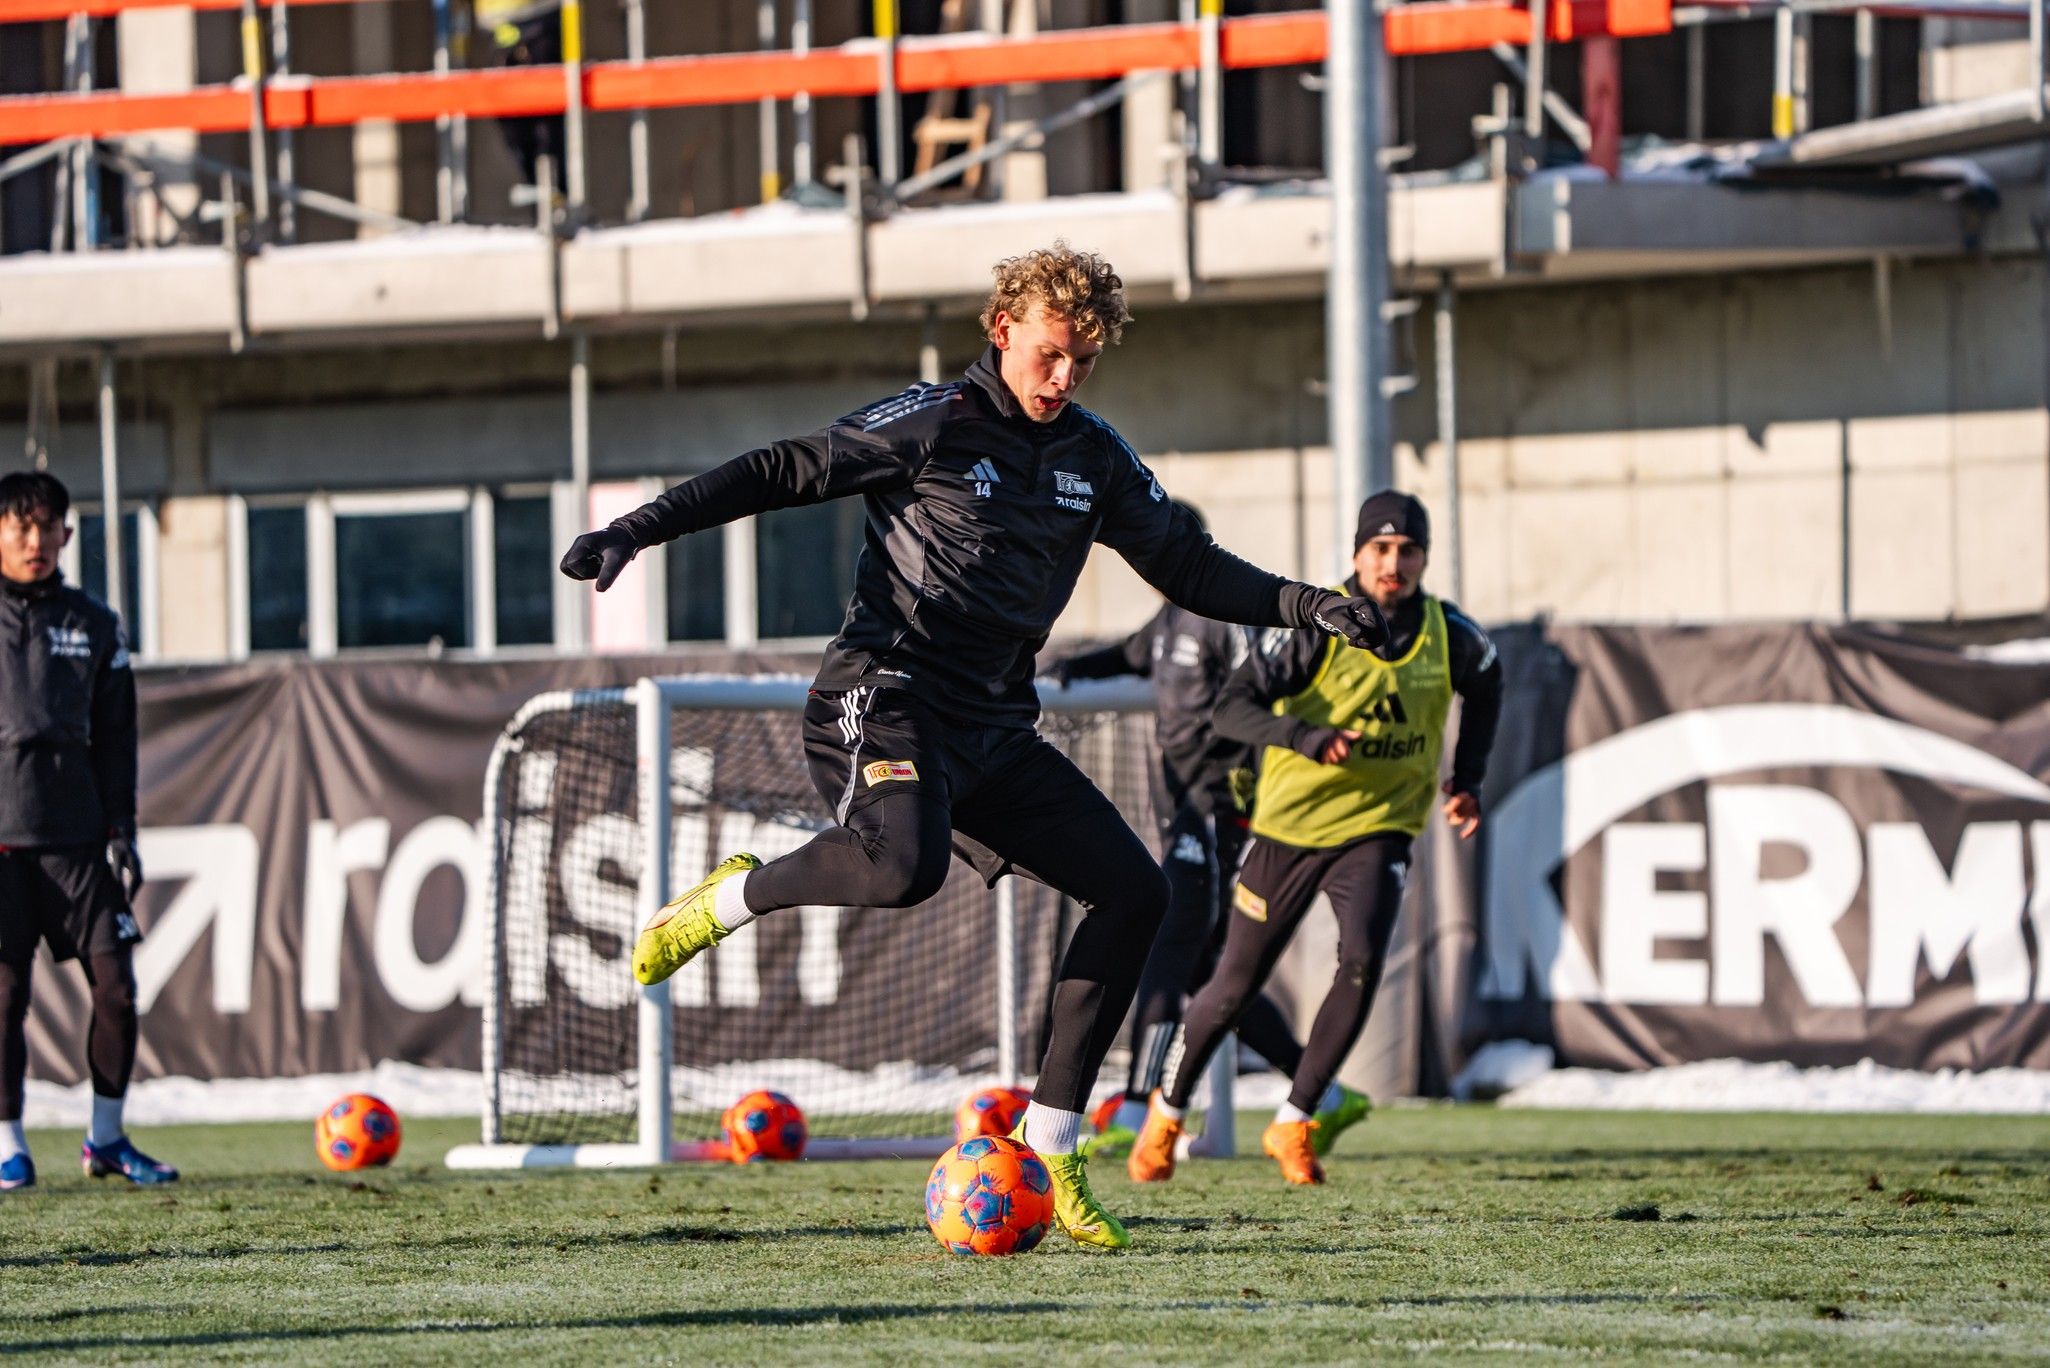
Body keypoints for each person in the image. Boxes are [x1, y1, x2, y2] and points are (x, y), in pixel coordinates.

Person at [562, 243, 1392, 1249]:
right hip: (884, 692)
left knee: (1135, 893)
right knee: (903, 868)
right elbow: (783, 468)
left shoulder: (1093, 454)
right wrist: (635, 530)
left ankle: (1052, 1146)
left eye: (1082, 361)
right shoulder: (931, 421)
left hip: (994, 724)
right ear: (1002, 330)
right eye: (1050, 353)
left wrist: (1305, 604)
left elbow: (1181, 560)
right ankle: (731, 895)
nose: (1064, 377)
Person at [1130, 490, 1502, 1187]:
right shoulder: (1316, 625)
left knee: (1361, 958)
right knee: (1233, 985)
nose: (1394, 563)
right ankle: (1167, 1111)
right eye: (1380, 548)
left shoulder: (1450, 633)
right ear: (1358, 552)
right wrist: (1305, 736)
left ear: (1424, 557)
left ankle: (1295, 1119)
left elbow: (1488, 683)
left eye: (1408, 550)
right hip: (1288, 830)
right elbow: (1231, 709)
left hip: (1379, 829)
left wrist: (1467, 779)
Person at [1048, 513, 1370, 1165]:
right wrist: (1067, 671)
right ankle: (1325, 1092)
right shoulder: (1166, 623)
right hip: (1179, 812)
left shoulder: (1229, 620)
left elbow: (1253, 700)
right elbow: (1126, 656)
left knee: (1168, 947)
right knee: (1210, 970)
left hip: (1221, 811)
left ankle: (1141, 1104)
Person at [0, 471, 174, 1192]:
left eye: (47, 528)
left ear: (68, 534)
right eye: (19, 528)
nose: (35, 542)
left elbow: (117, 734)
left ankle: (106, 1139)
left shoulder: (95, 624)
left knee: (117, 989)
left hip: (78, 843)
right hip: (3, 845)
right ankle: (7, 1145)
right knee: (5, 996)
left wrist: (121, 825)